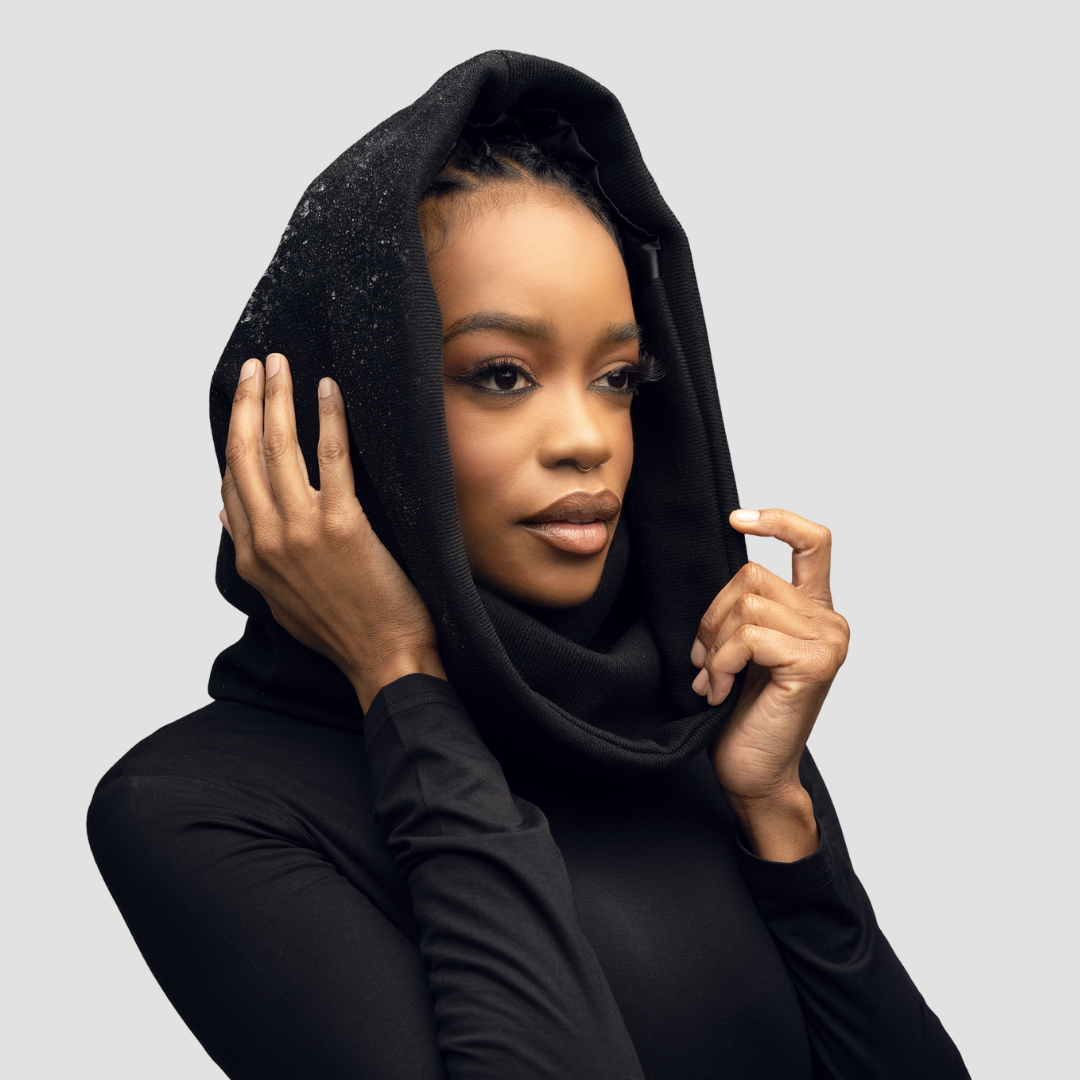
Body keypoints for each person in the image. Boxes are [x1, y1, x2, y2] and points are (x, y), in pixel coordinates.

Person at [87, 51, 970, 1079]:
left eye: (618, 378)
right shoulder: (193, 804)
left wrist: (777, 811)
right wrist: (399, 677)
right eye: (502, 375)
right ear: (348, 408)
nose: (588, 440)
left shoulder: (689, 726)